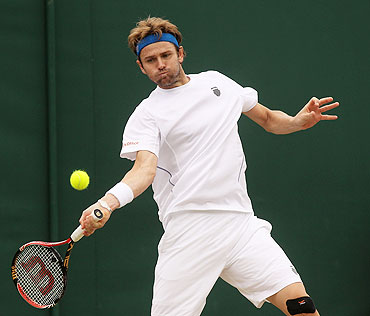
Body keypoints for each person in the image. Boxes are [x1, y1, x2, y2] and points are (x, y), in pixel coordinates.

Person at [79, 17, 339, 316]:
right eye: (151, 60)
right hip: (190, 230)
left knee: (300, 305)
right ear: (141, 66)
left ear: (180, 54)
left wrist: (297, 121)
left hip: (240, 223)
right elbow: (144, 170)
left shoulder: (219, 83)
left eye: (166, 55)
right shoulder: (146, 114)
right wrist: (107, 203)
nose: (160, 64)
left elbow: (267, 119)